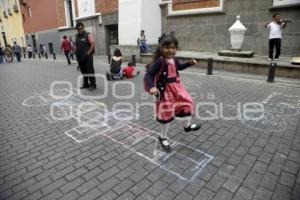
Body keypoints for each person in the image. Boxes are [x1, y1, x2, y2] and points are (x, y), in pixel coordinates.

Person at [144, 35, 201, 152]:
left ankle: (187, 126)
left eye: (173, 47)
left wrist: (189, 63)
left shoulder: (174, 59)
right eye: (167, 47)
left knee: (188, 104)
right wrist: (152, 87)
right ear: (161, 48)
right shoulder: (160, 61)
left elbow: (179, 67)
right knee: (166, 115)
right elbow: (148, 75)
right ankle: (162, 137)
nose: (170, 50)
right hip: (165, 91)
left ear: (176, 48)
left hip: (177, 88)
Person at [75, 22, 96, 91]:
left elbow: (92, 44)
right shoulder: (77, 36)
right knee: (83, 71)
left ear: (83, 28)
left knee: (90, 71)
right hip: (80, 57)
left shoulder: (88, 34)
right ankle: (86, 84)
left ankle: (93, 85)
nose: (79, 30)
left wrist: (88, 53)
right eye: (78, 29)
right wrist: (76, 55)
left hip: (88, 57)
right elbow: (77, 46)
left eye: (80, 28)